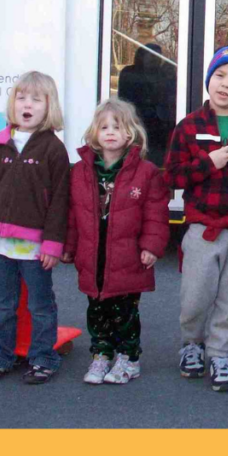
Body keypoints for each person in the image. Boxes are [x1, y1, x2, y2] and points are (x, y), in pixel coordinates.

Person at [165, 46, 228, 392]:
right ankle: (192, 344)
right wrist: (207, 164)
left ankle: (221, 353)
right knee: (196, 294)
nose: (226, 85)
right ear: (209, 80)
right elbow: (173, 177)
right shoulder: (189, 126)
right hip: (201, 227)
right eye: (220, 76)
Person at [0, 71, 71, 385]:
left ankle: (43, 358)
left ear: (48, 106)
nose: (27, 104)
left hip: (35, 247)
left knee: (40, 305)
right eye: (21, 98)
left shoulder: (53, 149)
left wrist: (53, 245)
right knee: (3, 304)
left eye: (36, 99)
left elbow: (59, 203)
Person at [63, 99, 170, 385]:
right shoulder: (81, 171)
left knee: (124, 312)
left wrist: (151, 246)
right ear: (94, 133)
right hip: (92, 256)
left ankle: (128, 357)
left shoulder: (146, 172)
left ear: (130, 134)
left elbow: (155, 213)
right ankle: (101, 354)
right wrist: (69, 247)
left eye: (117, 126)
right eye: (104, 126)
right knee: (96, 310)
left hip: (128, 258)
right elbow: (73, 214)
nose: (110, 132)